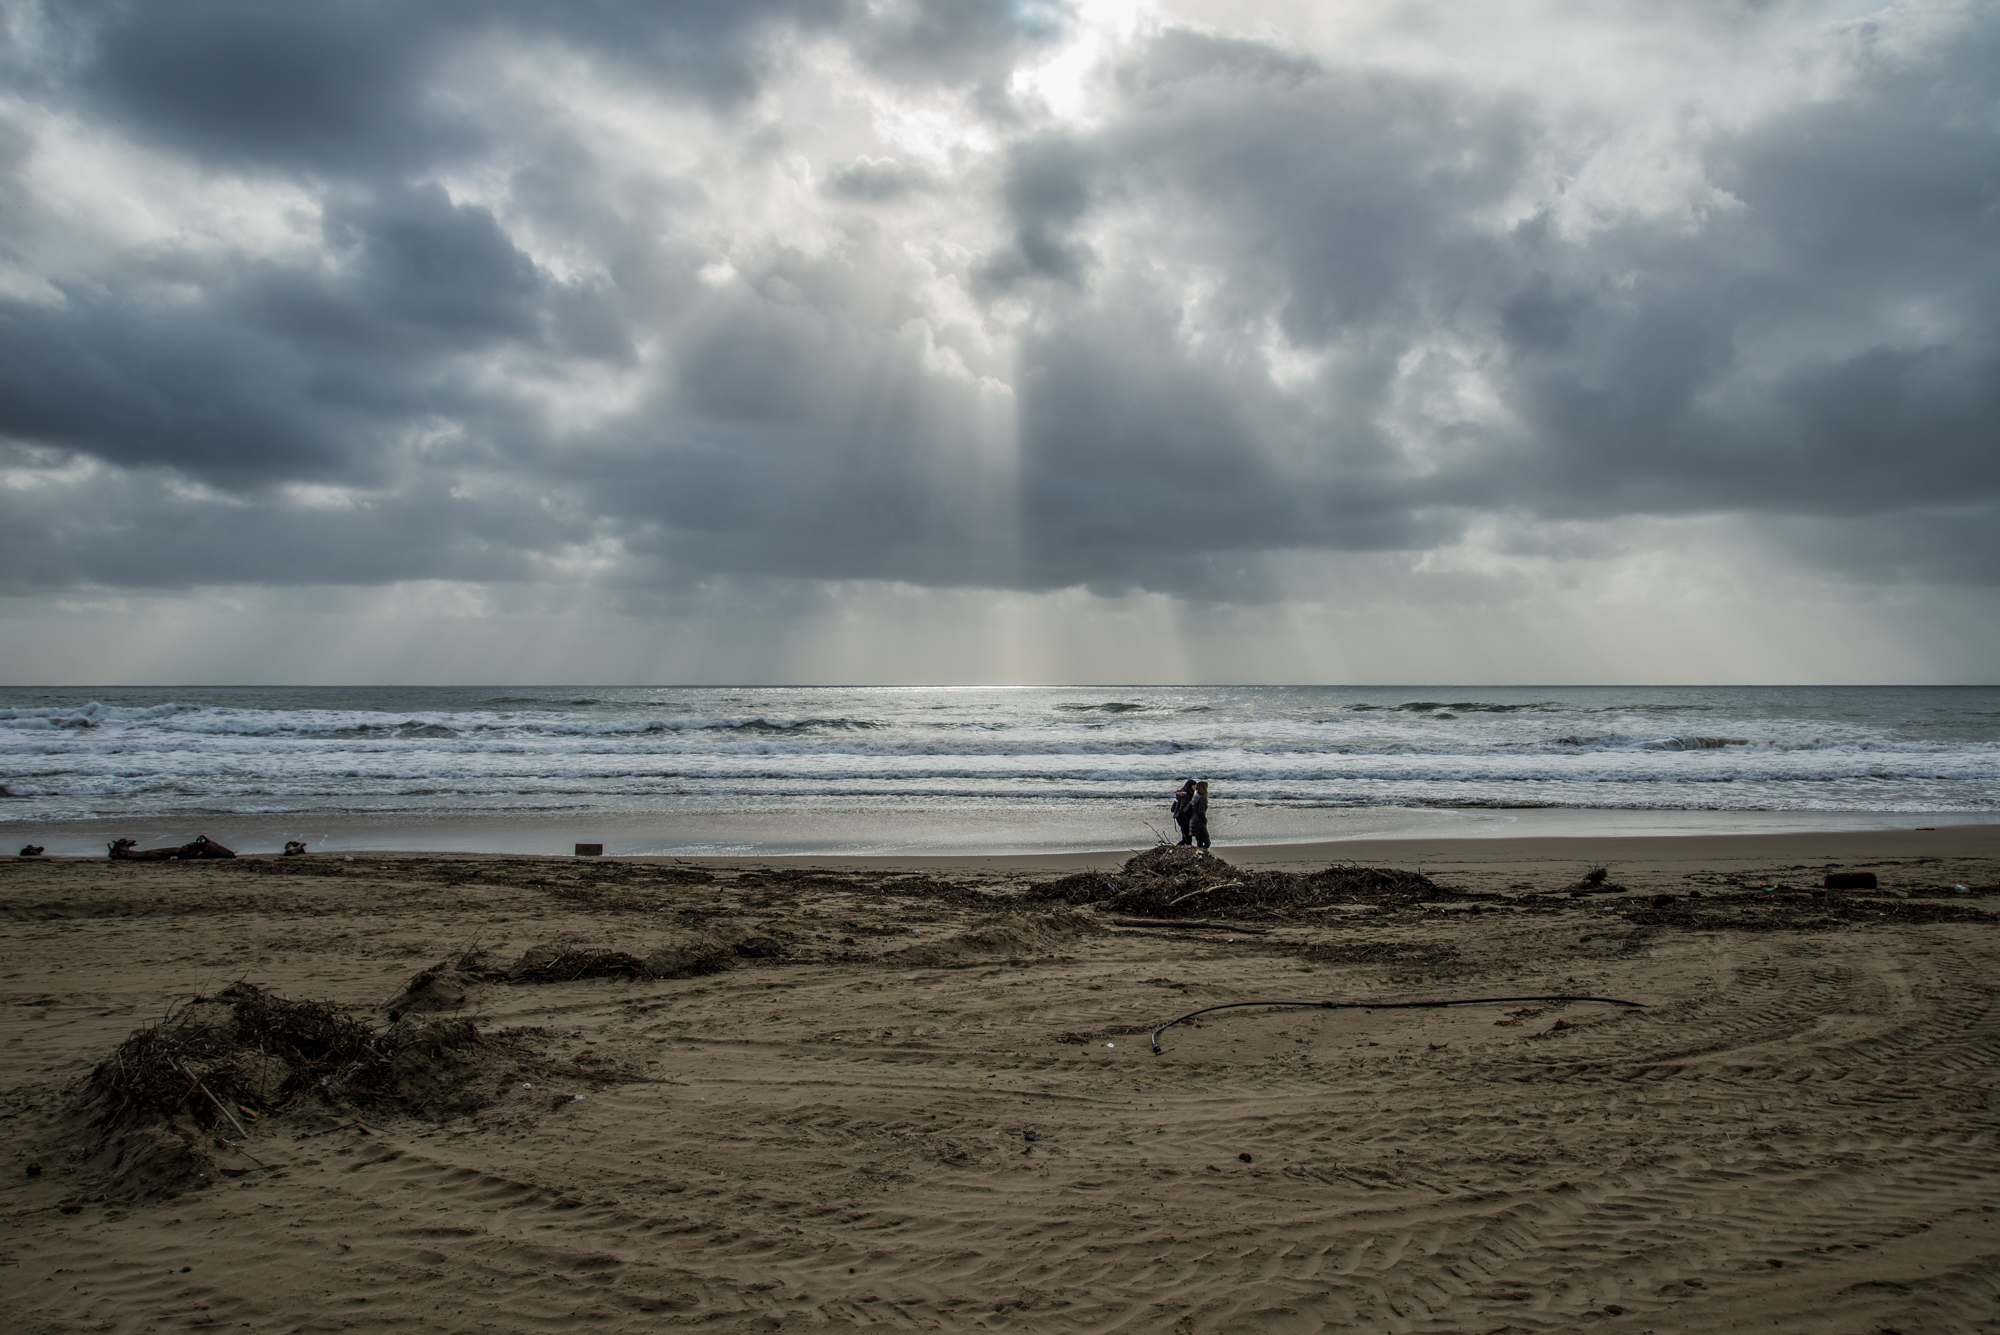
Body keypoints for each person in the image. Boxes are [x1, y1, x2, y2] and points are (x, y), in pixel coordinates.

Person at [1169, 779, 1196, 845]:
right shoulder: (1187, 795)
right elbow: (1183, 809)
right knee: (1187, 838)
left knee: (1186, 836)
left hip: (1180, 817)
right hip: (1182, 817)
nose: (1195, 789)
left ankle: (1182, 848)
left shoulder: (1185, 793)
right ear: (1190, 786)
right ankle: (1177, 849)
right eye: (1194, 787)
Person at [1190, 779, 1211, 850]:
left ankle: (1198, 856)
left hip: (1193, 820)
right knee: (1207, 843)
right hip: (1199, 823)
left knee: (1199, 842)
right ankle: (1202, 854)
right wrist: (1204, 821)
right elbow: (1201, 812)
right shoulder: (1202, 797)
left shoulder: (1196, 796)